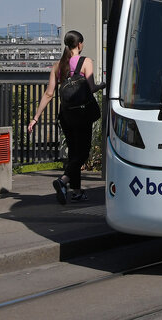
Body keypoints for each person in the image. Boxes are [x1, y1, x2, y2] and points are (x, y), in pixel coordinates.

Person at [28, 30, 102, 204]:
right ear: (80, 44)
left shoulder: (58, 66)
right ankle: (63, 181)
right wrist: (103, 85)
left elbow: (48, 94)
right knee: (83, 153)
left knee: (74, 152)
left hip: (66, 115)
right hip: (82, 114)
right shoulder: (86, 62)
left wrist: (35, 118)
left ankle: (76, 192)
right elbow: (91, 88)